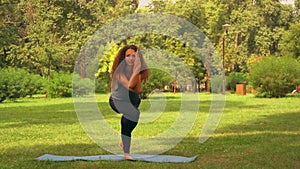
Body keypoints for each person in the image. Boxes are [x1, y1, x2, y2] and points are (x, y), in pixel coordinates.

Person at [109, 45, 150, 160]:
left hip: (133, 101)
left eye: (134, 56)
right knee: (134, 114)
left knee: (130, 118)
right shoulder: (119, 73)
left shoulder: (140, 72)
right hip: (117, 101)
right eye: (128, 56)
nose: (131, 58)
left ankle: (123, 140)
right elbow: (131, 86)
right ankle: (126, 153)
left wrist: (137, 72)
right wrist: (136, 70)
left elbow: (138, 90)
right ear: (124, 58)